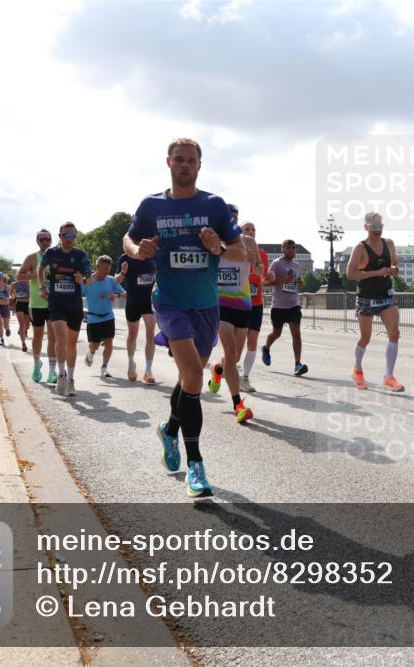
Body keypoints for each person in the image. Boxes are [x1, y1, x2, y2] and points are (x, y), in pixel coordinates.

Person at [122, 137, 245, 498]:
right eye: (179, 159)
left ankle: (169, 427)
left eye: (191, 160)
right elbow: (128, 240)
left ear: (199, 165)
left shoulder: (215, 206)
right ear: (169, 163)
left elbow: (239, 253)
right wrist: (138, 249)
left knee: (189, 382)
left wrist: (217, 248)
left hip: (207, 304)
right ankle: (196, 465)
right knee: (193, 374)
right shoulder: (152, 206)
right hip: (170, 302)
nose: (185, 165)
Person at [206, 206, 259, 423]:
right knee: (229, 350)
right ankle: (238, 404)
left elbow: (257, 270)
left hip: (243, 304)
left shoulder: (248, 242)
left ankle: (217, 370)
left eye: (234, 219)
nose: (231, 223)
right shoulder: (212, 242)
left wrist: (255, 262)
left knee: (234, 356)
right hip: (221, 304)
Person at [346, 211, 403, 392]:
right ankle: (357, 369)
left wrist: (393, 270)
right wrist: (376, 273)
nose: (378, 230)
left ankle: (389, 376)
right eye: (374, 226)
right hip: (366, 298)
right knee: (365, 337)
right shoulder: (360, 248)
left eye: (380, 226)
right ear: (366, 227)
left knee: (394, 333)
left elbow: (396, 264)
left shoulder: (389, 244)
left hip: (385, 295)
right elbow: (350, 274)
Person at [39, 222, 91, 397]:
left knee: (71, 343)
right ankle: (61, 375)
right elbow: (41, 269)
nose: (69, 239)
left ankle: (70, 379)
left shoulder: (81, 255)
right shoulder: (51, 253)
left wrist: (81, 281)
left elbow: (89, 279)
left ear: (75, 237)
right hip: (57, 302)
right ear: (60, 236)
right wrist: (41, 287)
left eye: (72, 236)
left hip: (74, 304)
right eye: (66, 236)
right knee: (60, 337)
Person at [262, 239, 307, 376]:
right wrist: (283, 281)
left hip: (293, 304)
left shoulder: (297, 265)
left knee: (296, 334)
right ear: (283, 249)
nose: (291, 250)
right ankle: (266, 348)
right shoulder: (276, 264)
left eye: (293, 248)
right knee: (276, 333)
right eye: (288, 248)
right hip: (279, 305)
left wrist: (300, 282)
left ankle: (297, 364)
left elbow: (299, 283)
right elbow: (265, 282)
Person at [17, 230, 58, 383]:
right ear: (37, 241)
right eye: (42, 239)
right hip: (36, 303)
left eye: (47, 239)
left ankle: (52, 372)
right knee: (38, 336)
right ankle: (36, 365)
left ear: (51, 240)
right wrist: (33, 276)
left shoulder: (57, 256)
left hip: (54, 302)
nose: (45, 242)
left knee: (53, 337)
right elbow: (19, 276)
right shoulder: (32, 258)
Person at [115, 249, 157, 383]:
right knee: (133, 334)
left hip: (149, 301)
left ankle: (148, 370)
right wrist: (123, 272)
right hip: (133, 300)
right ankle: (131, 363)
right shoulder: (126, 257)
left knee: (150, 334)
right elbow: (117, 280)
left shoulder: (153, 255)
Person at [83, 255, 126, 378]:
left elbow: (124, 293)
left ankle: (104, 368)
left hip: (108, 316)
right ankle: (91, 353)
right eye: (103, 269)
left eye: (108, 269)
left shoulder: (111, 280)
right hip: (93, 318)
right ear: (97, 267)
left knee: (109, 342)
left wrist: (116, 296)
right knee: (94, 345)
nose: (106, 272)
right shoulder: (89, 281)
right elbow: (77, 293)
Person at [239, 220, 268, 392]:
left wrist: (266, 274)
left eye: (253, 229)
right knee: (235, 345)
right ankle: (221, 369)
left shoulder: (262, 253)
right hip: (238, 302)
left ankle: (245, 377)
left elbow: (261, 273)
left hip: (256, 302)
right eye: (247, 229)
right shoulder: (232, 251)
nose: (251, 232)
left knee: (252, 342)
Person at [10, 276, 31, 352]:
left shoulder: (29, 282)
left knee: (27, 326)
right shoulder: (14, 284)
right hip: (19, 304)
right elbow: (10, 294)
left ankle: (22, 330)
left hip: (28, 305)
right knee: (21, 324)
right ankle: (23, 344)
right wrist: (12, 298)